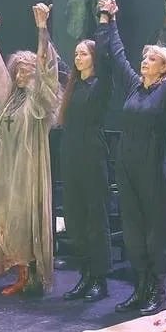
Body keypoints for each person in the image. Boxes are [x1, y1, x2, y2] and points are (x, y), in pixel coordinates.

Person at [96, 0, 166, 315]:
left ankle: (159, 291)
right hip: (127, 167)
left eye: (153, 58)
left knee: (155, 231)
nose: (145, 61)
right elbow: (118, 54)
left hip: (152, 168)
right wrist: (110, 19)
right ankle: (140, 287)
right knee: (132, 229)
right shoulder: (134, 87)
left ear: (164, 68)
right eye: (145, 57)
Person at [0, 4, 61, 296]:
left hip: (29, 169)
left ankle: (32, 275)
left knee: (26, 218)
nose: (21, 76)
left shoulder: (39, 102)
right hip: (7, 168)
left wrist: (42, 30)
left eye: (27, 71)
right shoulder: (9, 99)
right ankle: (20, 272)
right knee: (7, 217)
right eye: (18, 71)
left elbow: (49, 73)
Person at [57, 34, 114, 301]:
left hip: (92, 153)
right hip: (71, 154)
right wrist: (43, 29)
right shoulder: (73, 84)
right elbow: (55, 63)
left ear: (94, 57)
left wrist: (105, 23)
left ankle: (99, 278)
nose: (78, 58)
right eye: (76, 54)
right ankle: (86, 273)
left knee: (95, 217)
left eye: (84, 53)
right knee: (75, 217)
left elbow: (108, 59)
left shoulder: (101, 84)